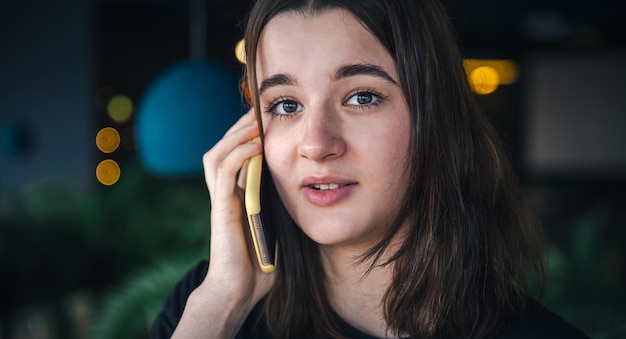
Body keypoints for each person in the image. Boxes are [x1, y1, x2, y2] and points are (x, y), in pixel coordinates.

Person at [150, 0, 589, 338]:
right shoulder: (205, 310)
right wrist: (220, 306)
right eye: (286, 105)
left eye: (361, 97)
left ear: (434, 117)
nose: (317, 144)